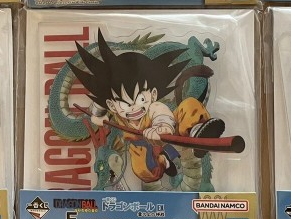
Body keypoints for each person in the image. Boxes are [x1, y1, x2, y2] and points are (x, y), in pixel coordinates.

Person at [68, 31, 227, 185]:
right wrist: (98, 115)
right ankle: (166, 161)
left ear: (153, 94)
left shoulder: (154, 107)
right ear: (112, 105)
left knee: (189, 105)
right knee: (142, 170)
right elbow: (101, 101)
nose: (133, 108)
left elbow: (161, 114)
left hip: (168, 130)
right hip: (139, 143)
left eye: (141, 99)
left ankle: (197, 130)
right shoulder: (112, 107)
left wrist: (161, 127)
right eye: (124, 104)